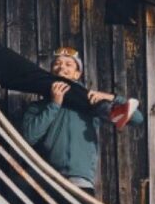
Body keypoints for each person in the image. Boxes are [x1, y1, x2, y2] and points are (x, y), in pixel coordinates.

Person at [20, 47, 143, 195]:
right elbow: (27, 138)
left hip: (79, 181)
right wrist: (54, 104)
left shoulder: (91, 102)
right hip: (46, 179)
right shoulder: (38, 107)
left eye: (68, 64)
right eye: (57, 64)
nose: (61, 68)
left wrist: (109, 97)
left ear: (77, 74)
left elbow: (137, 118)